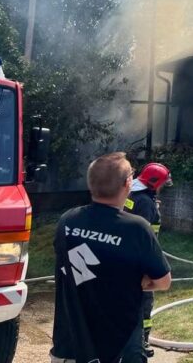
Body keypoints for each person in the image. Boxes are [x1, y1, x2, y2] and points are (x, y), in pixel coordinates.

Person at [51, 153, 172, 363]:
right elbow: (163, 282)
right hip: (118, 349)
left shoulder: (67, 220)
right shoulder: (137, 228)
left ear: (90, 184)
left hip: (69, 347)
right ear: (127, 183)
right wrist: (138, 281)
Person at [123, 162, 173, 358]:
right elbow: (143, 235)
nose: (162, 188)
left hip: (128, 257)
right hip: (141, 260)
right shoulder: (145, 202)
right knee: (145, 302)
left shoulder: (134, 195)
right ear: (154, 183)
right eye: (161, 184)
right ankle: (141, 342)